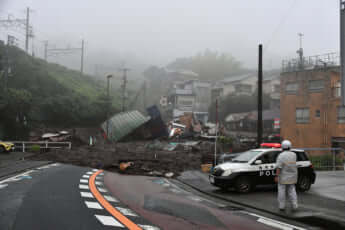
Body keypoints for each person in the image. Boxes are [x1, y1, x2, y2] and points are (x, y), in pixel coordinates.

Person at [275, 140, 298, 212]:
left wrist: (276, 176)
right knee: (292, 191)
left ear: (282, 146)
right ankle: (295, 205)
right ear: (290, 146)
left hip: (283, 177)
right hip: (293, 176)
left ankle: (282, 206)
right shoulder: (294, 154)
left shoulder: (281, 155)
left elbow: (279, 167)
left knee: (281, 191)